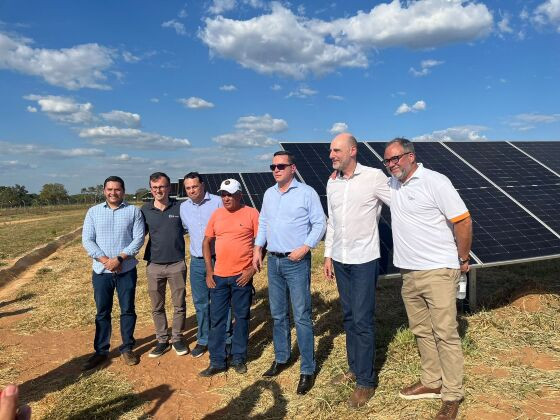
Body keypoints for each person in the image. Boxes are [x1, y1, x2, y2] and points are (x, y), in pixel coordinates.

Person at [383, 138, 472, 420]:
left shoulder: (436, 181)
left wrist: (462, 260)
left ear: (411, 156)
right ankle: (432, 381)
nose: (392, 164)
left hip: (438, 271)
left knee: (445, 332)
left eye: (396, 158)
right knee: (421, 330)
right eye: (387, 160)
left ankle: (452, 394)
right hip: (408, 272)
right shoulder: (393, 185)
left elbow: (463, 220)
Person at [323, 133, 391, 408]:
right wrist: (328, 255)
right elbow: (332, 222)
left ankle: (366, 381)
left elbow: (399, 204)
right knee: (349, 316)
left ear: (353, 151)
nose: (331, 155)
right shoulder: (332, 183)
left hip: (364, 259)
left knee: (363, 320)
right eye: (331, 151)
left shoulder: (374, 177)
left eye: (336, 150)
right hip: (340, 259)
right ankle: (354, 368)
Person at [253, 150, 326, 395]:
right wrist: (257, 248)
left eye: (281, 166)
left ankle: (307, 368)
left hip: (296, 262)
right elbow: (263, 222)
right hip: (273, 261)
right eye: (273, 166)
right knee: (278, 314)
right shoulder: (269, 194)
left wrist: (305, 247)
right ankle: (282, 358)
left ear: (292, 168)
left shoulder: (307, 193)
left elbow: (320, 222)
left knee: (302, 315)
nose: (276, 170)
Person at [82, 176, 144, 370]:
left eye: (117, 190)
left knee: (127, 310)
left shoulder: (133, 211)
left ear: (123, 191)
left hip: (125, 270)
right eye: (109, 189)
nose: (113, 193)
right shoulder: (93, 212)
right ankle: (101, 351)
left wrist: (119, 259)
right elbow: (88, 240)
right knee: (102, 312)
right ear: (104, 191)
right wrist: (106, 261)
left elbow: (139, 239)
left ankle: (127, 348)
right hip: (101, 272)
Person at [199, 179, 259, 376]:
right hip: (219, 277)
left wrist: (252, 269)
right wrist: (209, 270)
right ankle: (217, 360)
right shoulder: (216, 215)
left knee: (241, 318)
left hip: (241, 277)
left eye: (230, 194)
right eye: (223, 194)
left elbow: (261, 244)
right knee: (217, 319)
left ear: (239, 194)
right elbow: (206, 242)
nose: (226, 198)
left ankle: (238, 358)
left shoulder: (251, 213)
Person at [180, 172, 232, 358]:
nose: (192, 190)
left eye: (195, 186)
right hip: (197, 261)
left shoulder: (219, 202)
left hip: (219, 260)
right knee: (201, 302)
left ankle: (225, 339)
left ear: (202, 185)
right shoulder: (183, 208)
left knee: (222, 302)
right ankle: (203, 339)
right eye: (188, 188)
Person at [141, 172, 188, 358]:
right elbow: (137, 235)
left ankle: (177, 338)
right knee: (156, 306)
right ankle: (162, 340)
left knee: (179, 304)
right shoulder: (144, 210)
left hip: (177, 263)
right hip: (154, 265)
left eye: (162, 187)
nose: (158, 190)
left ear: (169, 188)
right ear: (151, 189)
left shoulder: (180, 208)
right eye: (155, 188)